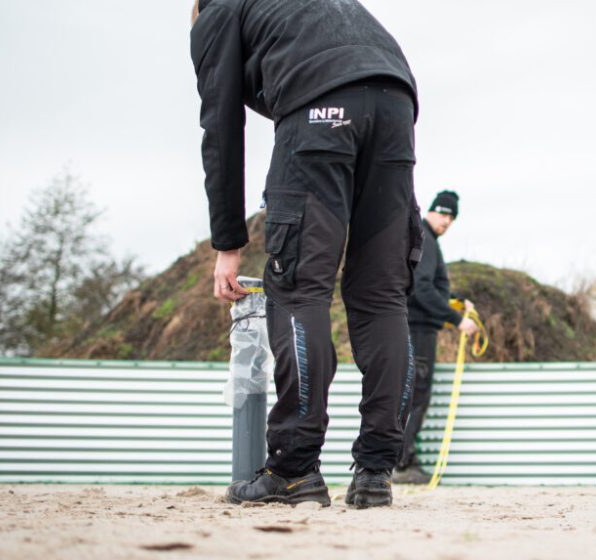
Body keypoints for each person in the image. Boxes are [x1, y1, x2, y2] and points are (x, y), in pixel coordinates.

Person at [190, 0, 422, 509]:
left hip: (321, 108)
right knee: (382, 296)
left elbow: (221, 128)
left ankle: (295, 469)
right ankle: (376, 473)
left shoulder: (217, 11)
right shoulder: (313, 10)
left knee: (298, 288)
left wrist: (228, 243)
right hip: (395, 101)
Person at [394, 190, 479, 484]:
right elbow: (421, 288)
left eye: (451, 218)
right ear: (432, 211)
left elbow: (427, 285)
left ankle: (401, 459)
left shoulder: (424, 238)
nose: (447, 222)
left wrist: (455, 299)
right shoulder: (426, 239)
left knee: (412, 393)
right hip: (419, 329)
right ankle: (403, 463)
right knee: (416, 395)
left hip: (416, 326)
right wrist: (457, 320)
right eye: (443, 215)